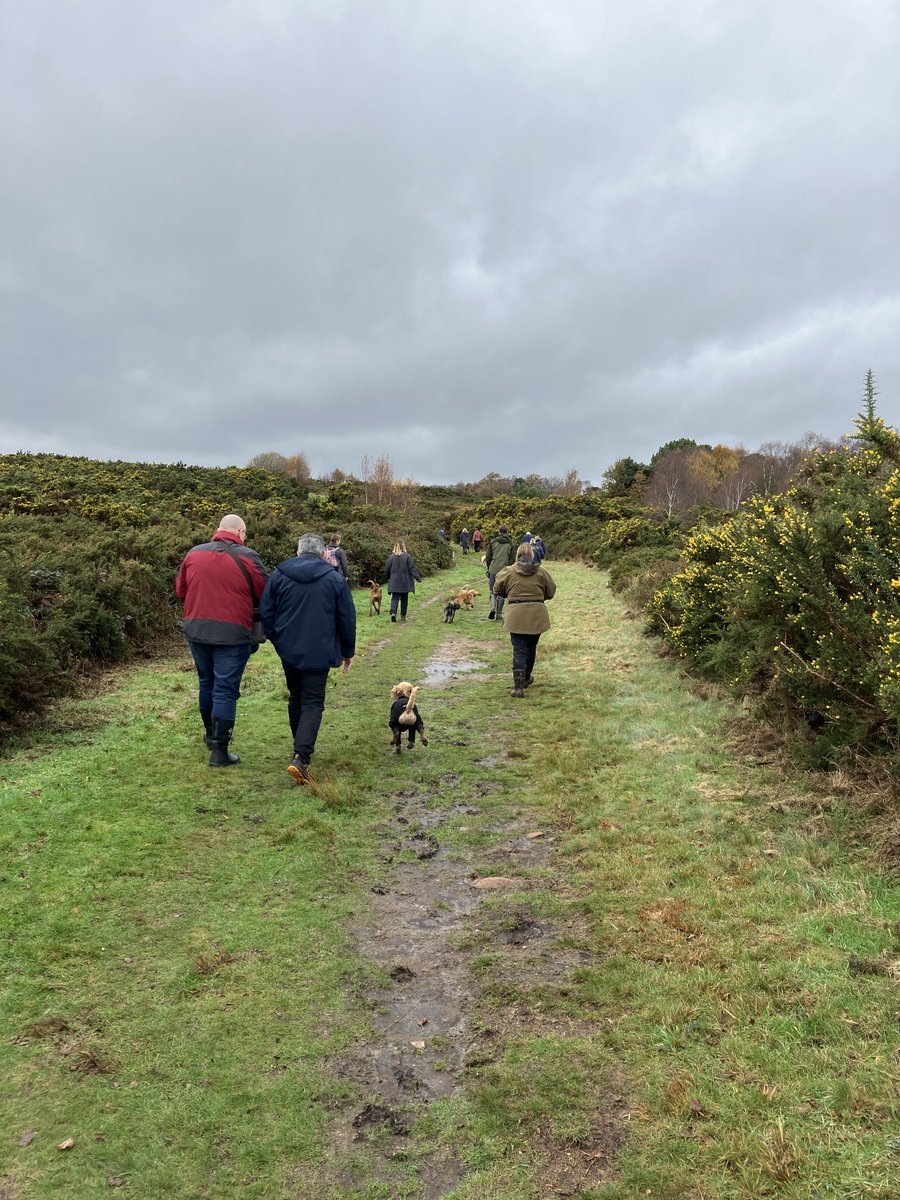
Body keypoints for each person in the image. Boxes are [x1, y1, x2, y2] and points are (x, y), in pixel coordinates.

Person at [260, 533, 356, 785]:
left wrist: (276, 638)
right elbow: (347, 618)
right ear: (324, 552)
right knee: (313, 702)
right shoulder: (334, 578)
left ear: (298, 551)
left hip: (289, 649)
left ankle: (299, 749)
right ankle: (301, 756)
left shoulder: (280, 574)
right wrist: (348, 651)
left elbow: (266, 610)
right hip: (321, 649)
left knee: (297, 697)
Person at [175, 514, 268, 767]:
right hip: (233, 634)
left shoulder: (193, 554)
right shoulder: (249, 557)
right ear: (240, 532)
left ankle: (209, 734)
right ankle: (219, 751)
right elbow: (265, 593)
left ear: (218, 530)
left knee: (207, 683)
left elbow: (180, 590)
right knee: (225, 690)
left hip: (197, 630)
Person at [493, 541, 556, 698]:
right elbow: (551, 591)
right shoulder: (541, 572)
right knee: (531, 648)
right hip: (537, 615)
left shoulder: (507, 572)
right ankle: (527, 678)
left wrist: (510, 595)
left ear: (517, 555)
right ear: (532, 554)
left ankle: (518, 688)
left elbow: (497, 589)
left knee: (519, 650)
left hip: (516, 615)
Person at [384, 539, 422, 622]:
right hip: (405, 581)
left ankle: (393, 613)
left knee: (395, 598)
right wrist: (418, 579)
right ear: (403, 547)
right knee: (404, 598)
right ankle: (403, 616)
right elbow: (412, 569)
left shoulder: (391, 557)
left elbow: (386, 570)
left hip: (394, 581)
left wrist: (389, 578)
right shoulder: (408, 557)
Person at [484, 524, 516, 619]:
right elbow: (513, 559)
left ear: (499, 531)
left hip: (493, 569)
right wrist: (509, 567)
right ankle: (498, 614)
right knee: (502, 593)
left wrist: (489, 568)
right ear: (507, 531)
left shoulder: (493, 542)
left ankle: (492, 607)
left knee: (492, 591)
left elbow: (488, 557)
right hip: (505, 571)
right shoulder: (511, 544)